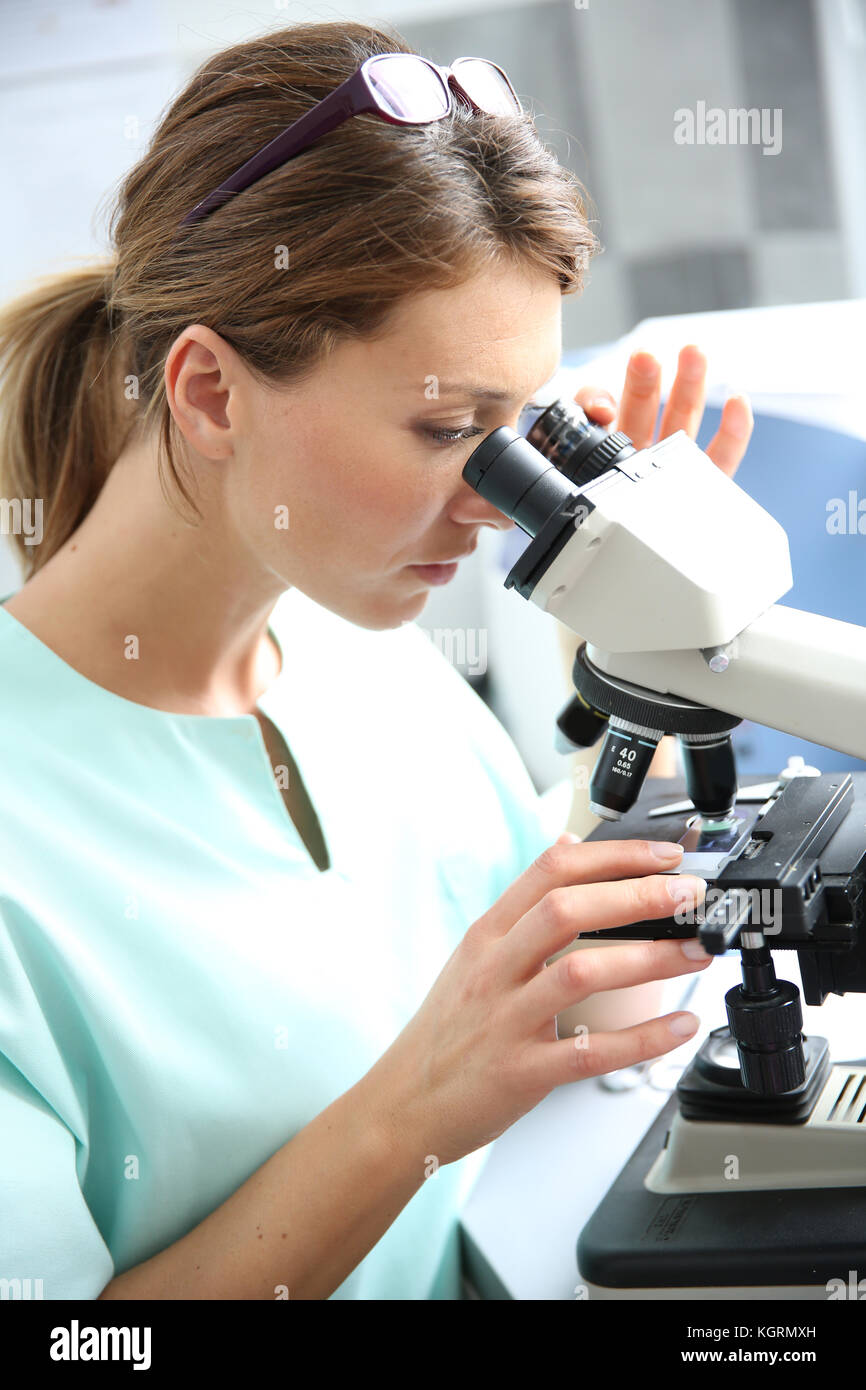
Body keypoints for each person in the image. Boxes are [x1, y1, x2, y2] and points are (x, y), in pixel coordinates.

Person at [0, 21, 754, 1301]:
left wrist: (646, 659)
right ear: (210, 393)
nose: (501, 500)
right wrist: (407, 1115)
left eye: (524, 431)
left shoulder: (377, 668)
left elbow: (576, 1027)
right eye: (447, 428)